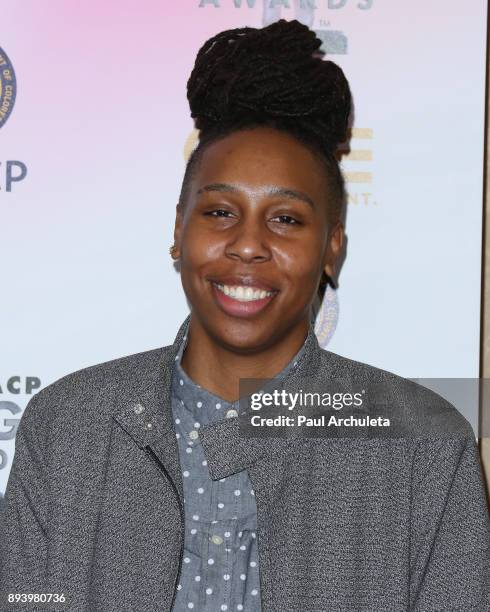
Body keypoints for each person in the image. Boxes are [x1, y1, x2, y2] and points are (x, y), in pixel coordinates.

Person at [1, 19, 489, 612]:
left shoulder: (425, 446)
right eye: (220, 212)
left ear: (333, 246)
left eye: (286, 219)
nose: (248, 245)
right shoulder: (68, 426)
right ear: (177, 229)